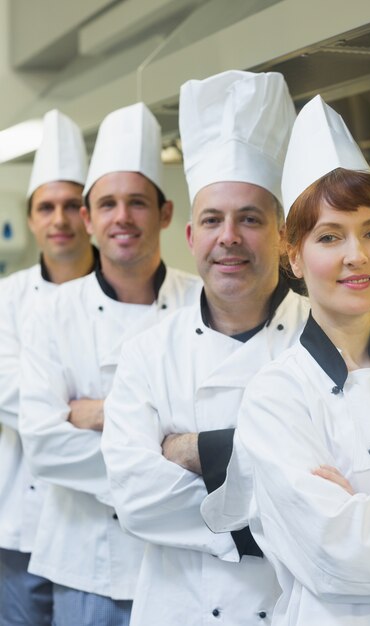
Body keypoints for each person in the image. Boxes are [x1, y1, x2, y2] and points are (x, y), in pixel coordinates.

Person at [102, 70, 309, 625]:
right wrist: (276, 500)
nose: (229, 238)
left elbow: (349, 491)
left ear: (284, 236)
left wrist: (195, 452)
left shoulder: (326, 340)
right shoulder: (148, 352)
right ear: (191, 237)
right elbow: (135, 498)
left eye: (250, 219)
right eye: (213, 220)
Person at [230, 95, 370, 626]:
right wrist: (351, 529)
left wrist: (362, 512)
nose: (356, 255)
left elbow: (354, 537)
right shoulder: (276, 395)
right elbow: (333, 555)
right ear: (293, 254)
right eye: (330, 236)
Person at [19, 102, 201, 626]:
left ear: (166, 214)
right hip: (85, 568)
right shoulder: (51, 313)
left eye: (138, 202)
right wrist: (168, 441)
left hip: (186, 565)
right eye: (109, 203)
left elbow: (223, 427)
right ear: (89, 217)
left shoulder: (203, 304)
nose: (123, 217)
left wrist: (101, 414)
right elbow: (45, 445)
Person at [0, 109, 95, 626]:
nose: (59, 219)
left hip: (101, 523)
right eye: (46, 207)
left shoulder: (125, 293)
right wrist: (93, 408)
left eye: (71, 205)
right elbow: (9, 394)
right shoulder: (6, 299)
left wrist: (101, 408)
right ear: (32, 217)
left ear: (90, 215)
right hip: (19, 525)